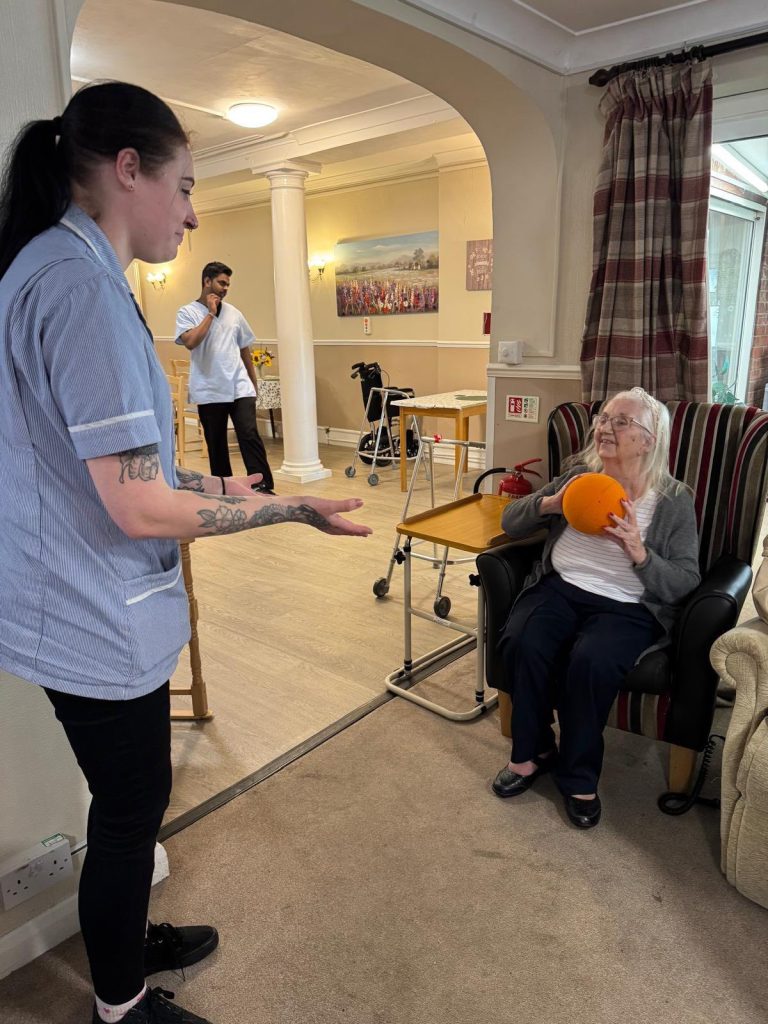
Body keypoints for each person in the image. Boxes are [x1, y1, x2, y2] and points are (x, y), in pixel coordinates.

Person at [0, 81, 371, 1024]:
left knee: (125, 805)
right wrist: (286, 515)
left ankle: (120, 938)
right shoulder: (80, 289)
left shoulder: (53, 266)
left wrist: (244, 488)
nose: (195, 212)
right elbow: (135, 506)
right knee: (130, 809)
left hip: (66, 601)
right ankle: (121, 1003)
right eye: (187, 186)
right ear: (129, 170)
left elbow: (133, 470)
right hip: (88, 616)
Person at [491, 387, 700, 829]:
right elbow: (510, 521)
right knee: (521, 642)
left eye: (621, 422)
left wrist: (641, 554)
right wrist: (551, 503)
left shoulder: (673, 499)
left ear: (649, 439)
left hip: (627, 605)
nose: (605, 427)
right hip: (562, 587)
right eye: (604, 418)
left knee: (591, 662)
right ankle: (532, 753)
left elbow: (685, 581)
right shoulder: (577, 475)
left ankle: (578, 776)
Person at [176, 262, 275, 493]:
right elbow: (190, 342)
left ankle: (262, 485)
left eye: (228, 284)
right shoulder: (187, 312)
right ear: (206, 281)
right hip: (209, 389)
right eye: (221, 283)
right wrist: (210, 313)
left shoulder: (234, 314)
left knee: (249, 435)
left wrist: (253, 383)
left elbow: (244, 350)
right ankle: (224, 488)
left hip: (240, 387)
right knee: (216, 442)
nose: (225, 288)